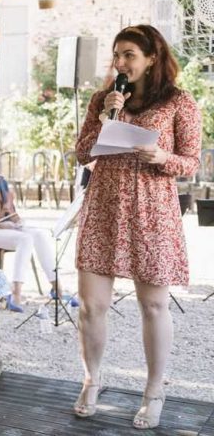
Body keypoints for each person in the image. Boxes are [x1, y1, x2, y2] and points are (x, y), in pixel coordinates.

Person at [72, 25, 201, 429]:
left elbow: (192, 162)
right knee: (92, 307)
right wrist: (105, 114)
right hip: (104, 208)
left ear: (151, 58)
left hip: (152, 213)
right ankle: (92, 380)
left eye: (129, 54)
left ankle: (154, 390)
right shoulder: (102, 99)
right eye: (117, 55)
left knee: (154, 305)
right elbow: (80, 154)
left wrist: (162, 154)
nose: (121, 62)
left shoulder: (180, 102)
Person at [0, 142, 77, 312]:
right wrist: (5, 225)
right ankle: (16, 293)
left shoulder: (1, 181)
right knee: (26, 239)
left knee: (39, 234)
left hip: (7, 226)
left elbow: (10, 210)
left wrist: (17, 221)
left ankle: (57, 289)